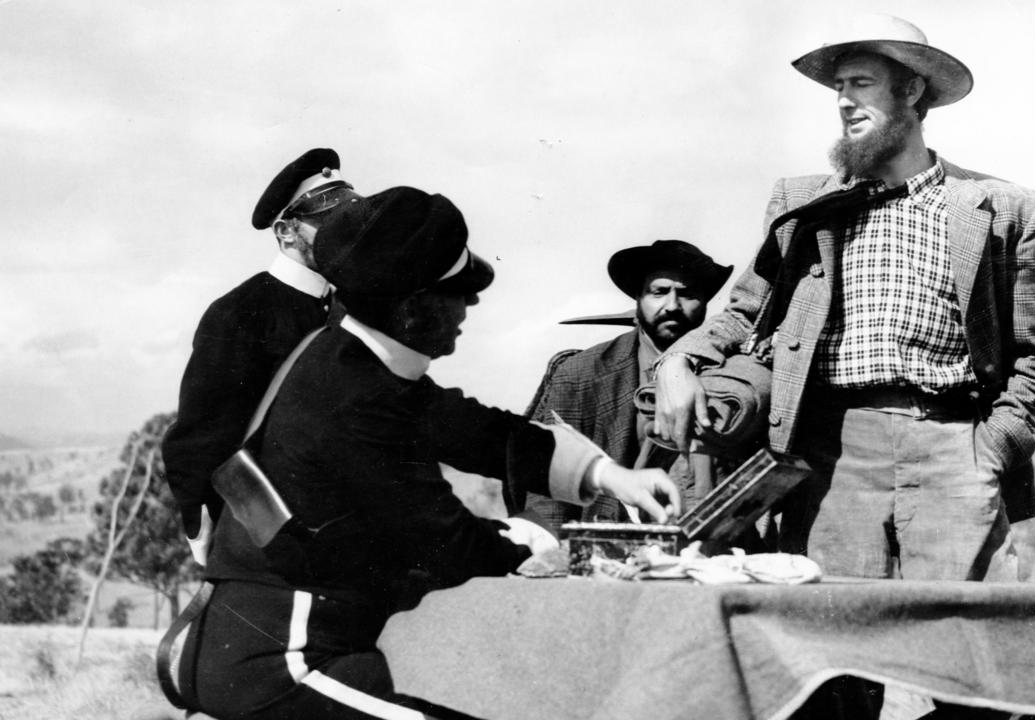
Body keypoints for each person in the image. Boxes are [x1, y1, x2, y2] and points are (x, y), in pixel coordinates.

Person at [175, 186, 682, 720]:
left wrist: (610, 476)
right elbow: (442, 538)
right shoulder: (356, 399)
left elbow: (481, 431)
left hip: (277, 643)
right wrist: (540, 546)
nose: (473, 302)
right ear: (413, 307)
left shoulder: (355, 363)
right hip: (279, 664)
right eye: (456, 291)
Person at [655, 13, 1035, 587]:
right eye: (838, 88)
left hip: (954, 446)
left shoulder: (999, 208)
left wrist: (991, 449)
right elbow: (745, 310)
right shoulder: (803, 203)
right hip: (831, 452)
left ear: (912, 90)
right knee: (833, 640)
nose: (844, 101)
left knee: (957, 644)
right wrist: (678, 360)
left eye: (861, 84)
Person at [162, 147, 360, 564]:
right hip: (264, 536)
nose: (346, 235)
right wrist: (207, 539)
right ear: (286, 232)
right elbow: (198, 439)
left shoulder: (349, 308)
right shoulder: (238, 313)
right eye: (328, 224)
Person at [522, 240, 732, 532]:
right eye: (659, 292)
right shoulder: (580, 373)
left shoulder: (730, 370)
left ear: (706, 302)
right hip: (605, 546)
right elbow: (548, 488)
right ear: (638, 297)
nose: (672, 305)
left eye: (687, 294)